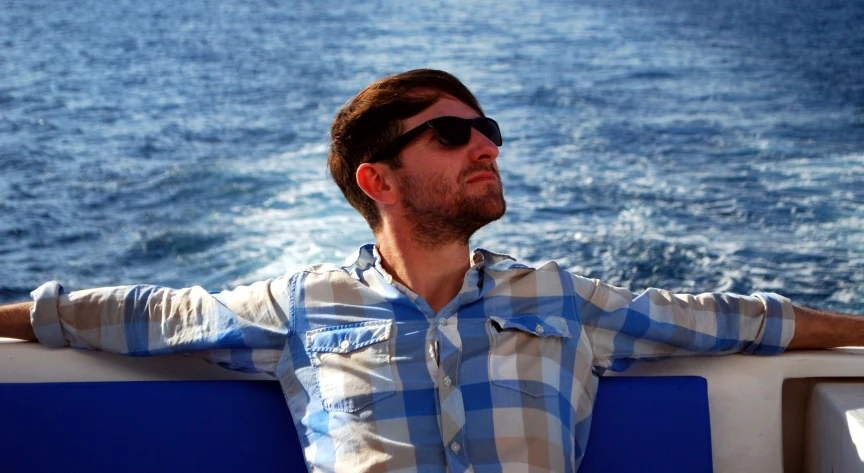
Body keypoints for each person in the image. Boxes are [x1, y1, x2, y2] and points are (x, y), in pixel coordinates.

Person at [0, 68, 861, 472]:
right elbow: (128, 314)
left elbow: (745, 320)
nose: (486, 144)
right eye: (452, 135)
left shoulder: (563, 299)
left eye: (487, 129)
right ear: (378, 179)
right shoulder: (302, 305)